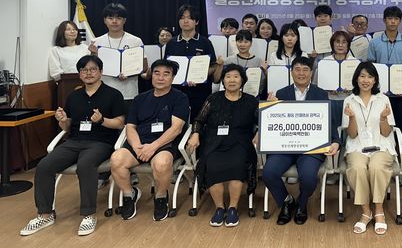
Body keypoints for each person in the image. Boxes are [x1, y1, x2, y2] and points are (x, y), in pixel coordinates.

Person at [20, 55, 125, 236]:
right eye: (84, 70)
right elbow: (68, 126)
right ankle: (45, 215)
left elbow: (120, 123)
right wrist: (62, 120)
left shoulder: (113, 95)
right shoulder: (74, 96)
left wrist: (102, 120)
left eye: (93, 69)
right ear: (79, 74)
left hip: (100, 142)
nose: (88, 73)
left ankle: (88, 215)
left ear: (101, 72)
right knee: (44, 166)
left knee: (85, 165)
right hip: (74, 141)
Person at [263, 56, 340, 225]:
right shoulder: (281, 93)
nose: (301, 73)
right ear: (291, 72)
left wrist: (335, 141)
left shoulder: (321, 94)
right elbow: (271, 123)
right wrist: (269, 108)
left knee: (309, 177)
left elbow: (330, 122)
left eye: (305, 70)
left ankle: (302, 203)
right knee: (268, 172)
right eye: (297, 69)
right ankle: (286, 201)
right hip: (285, 147)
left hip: (311, 148)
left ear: (311, 73)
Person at [110, 59, 190, 221]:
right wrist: (137, 147)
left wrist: (153, 146)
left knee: (161, 163)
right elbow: (130, 127)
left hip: (165, 143)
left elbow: (176, 129)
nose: (160, 78)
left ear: (173, 77)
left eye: (166, 74)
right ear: (151, 75)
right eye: (156, 73)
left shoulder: (180, 98)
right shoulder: (140, 99)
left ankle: (161, 197)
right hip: (139, 143)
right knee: (116, 159)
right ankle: (129, 194)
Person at [187, 64, 258, 227]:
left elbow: (263, 120)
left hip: (241, 143)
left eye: (236, 76)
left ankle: (232, 208)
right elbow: (199, 120)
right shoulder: (213, 98)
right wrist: (195, 133)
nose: (232, 80)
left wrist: (259, 132)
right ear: (223, 80)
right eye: (228, 76)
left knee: (238, 165)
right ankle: (219, 208)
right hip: (214, 142)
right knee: (212, 165)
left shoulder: (251, 101)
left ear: (242, 80)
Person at [342, 62, 396, 235]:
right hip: (357, 146)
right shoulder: (349, 100)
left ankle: (379, 211)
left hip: (381, 145)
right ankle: (366, 212)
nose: (366, 80)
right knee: (357, 168)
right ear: (356, 79)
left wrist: (383, 118)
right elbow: (352, 135)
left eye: (370, 77)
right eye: (362, 76)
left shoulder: (383, 99)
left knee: (376, 166)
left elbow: (386, 132)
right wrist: (351, 118)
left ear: (375, 80)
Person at [367, 6, 402, 186]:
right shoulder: (375, 43)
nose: (392, 21)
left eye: (396, 19)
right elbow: (371, 69)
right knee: (381, 131)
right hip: (380, 95)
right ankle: (381, 167)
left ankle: (400, 170)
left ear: (400, 21)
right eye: (389, 18)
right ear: (384, 20)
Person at [164, 4, 217, 121]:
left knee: (198, 123)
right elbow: (167, 67)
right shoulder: (171, 43)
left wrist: (200, 76)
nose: (185, 21)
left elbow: (213, 66)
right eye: (182, 18)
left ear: (196, 21)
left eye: (189, 18)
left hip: (200, 92)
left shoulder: (205, 42)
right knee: (176, 123)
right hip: (176, 92)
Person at [89, 3, 146, 106]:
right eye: (110, 18)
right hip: (103, 93)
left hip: (128, 93)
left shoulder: (136, 41)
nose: (114, 21)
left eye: (118, 18)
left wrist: (129, 73)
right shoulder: (96, 42)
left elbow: (144, 66)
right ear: (105, 20)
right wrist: (93, 54)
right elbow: (92, 68)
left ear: (124, 20)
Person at [213, 30, 266, 96]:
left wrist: (265, 71)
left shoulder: (258, 61)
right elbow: (216, 80)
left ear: (251, 43)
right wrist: (219, 66)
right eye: (240, 41)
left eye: (246, 42)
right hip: (231, 96)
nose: (242, 45)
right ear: (236, 43)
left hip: (251, 96)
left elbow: (262, 84)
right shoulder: (228, 60)